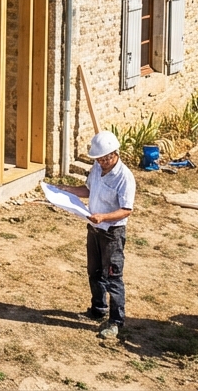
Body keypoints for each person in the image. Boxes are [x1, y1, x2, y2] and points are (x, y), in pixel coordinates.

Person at [57, 130, 135, 339]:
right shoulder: (97, 168)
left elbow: (126, 209)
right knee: (94, 271)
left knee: (112, 277)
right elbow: (89, 190)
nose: (102, 162)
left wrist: (104, 217)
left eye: (105, 158)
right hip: (94, 229)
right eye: (98, 159)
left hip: (112, 233)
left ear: (114, 153)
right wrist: (66, 190)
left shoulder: (124, 177)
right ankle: (98, 308)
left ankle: (116, 321)